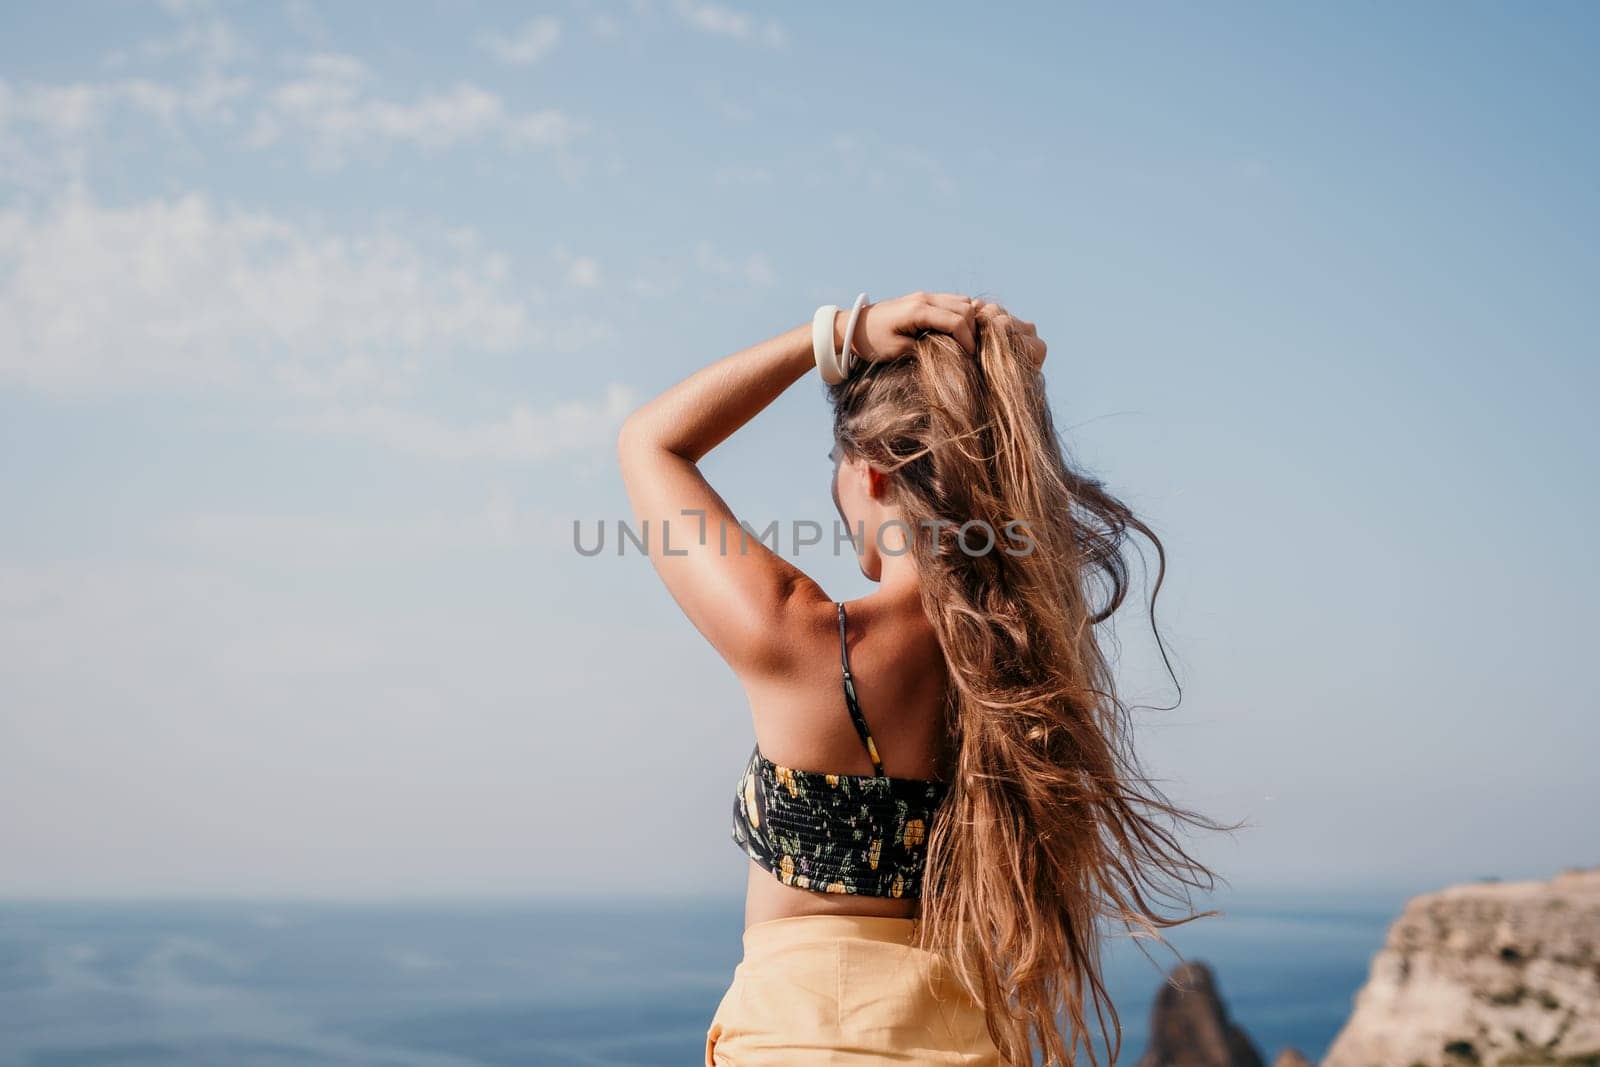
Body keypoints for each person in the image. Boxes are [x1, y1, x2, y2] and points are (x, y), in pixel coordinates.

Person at [616, 291, 1236, 1066]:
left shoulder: (805, 643)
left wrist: (836, 333)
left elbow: (651, 442)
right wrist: (1003, 390)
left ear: (871, 474)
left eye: (834, 467)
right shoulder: (1030, 667)